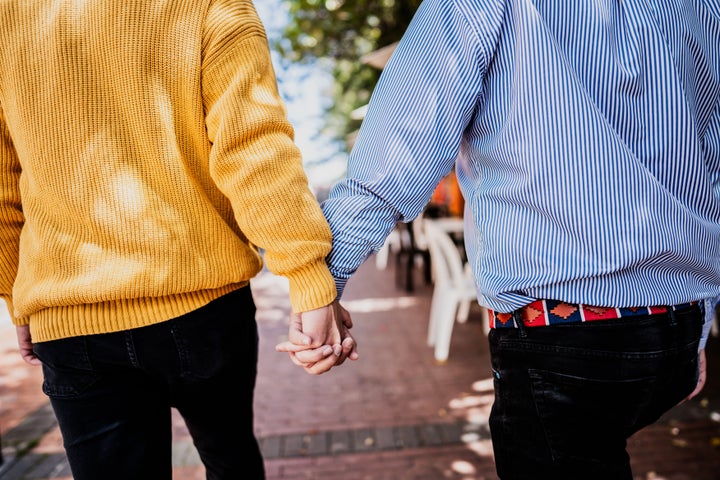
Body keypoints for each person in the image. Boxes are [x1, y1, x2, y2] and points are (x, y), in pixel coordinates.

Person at [278, 0, 720, 478]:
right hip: (680, 325)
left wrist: (322, 285)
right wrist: (700, 319)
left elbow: (400, 145)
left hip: (562, 334)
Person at [0, 0, 356, 478]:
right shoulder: (212, 5)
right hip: (204, 307)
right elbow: (254, 147)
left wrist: (14, 292)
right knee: (231, 460)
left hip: (69, 319)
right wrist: (309, 279)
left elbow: (3, 183)